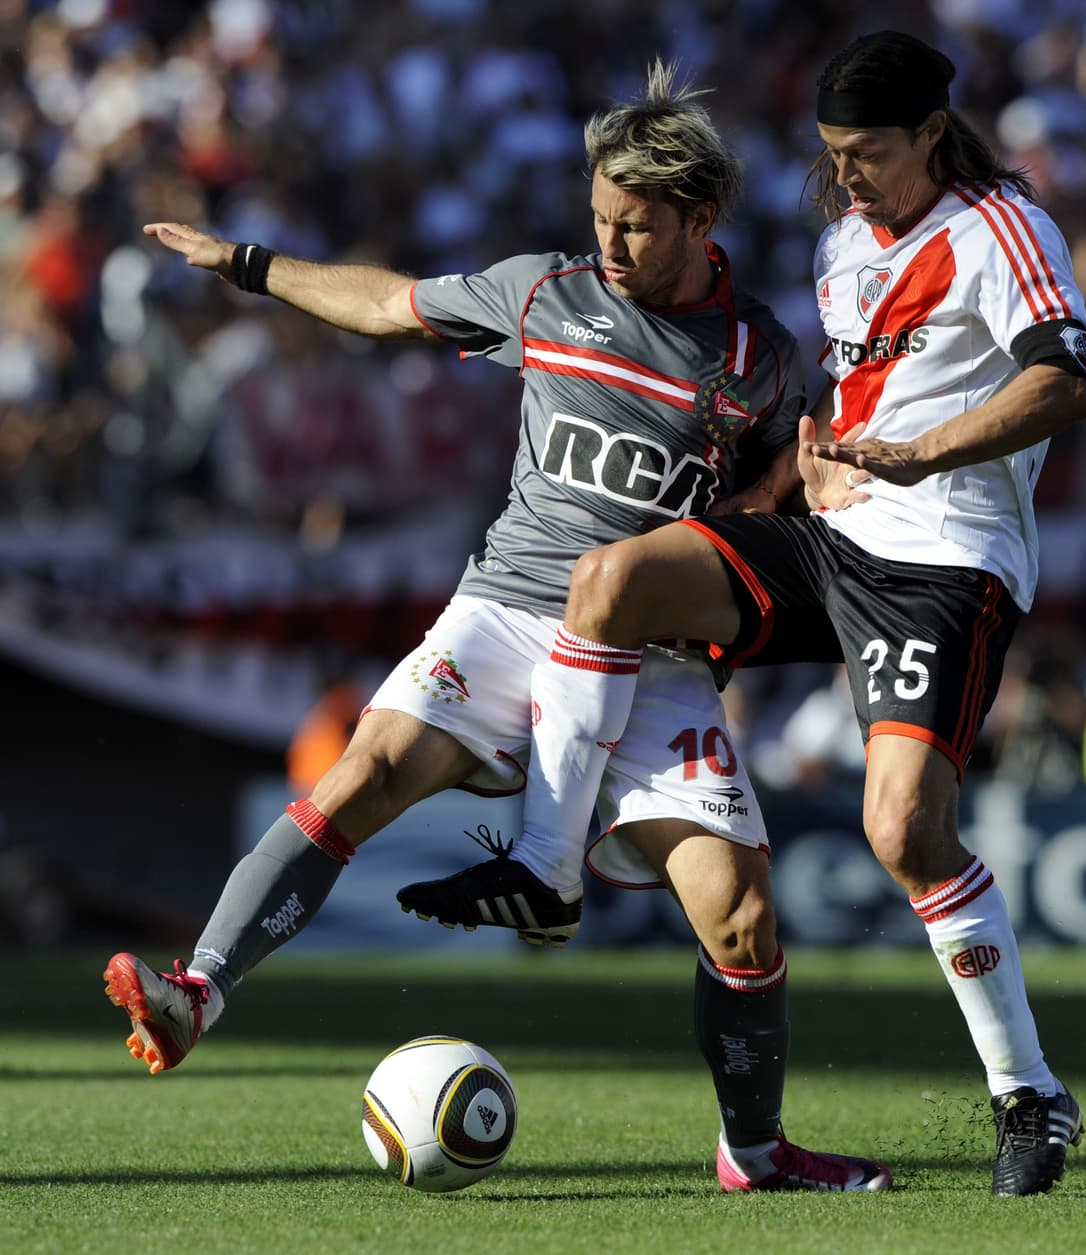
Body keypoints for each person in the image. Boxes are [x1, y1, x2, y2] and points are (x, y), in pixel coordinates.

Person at [103, 62, 892, 1196]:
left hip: (650, 653)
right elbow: (386, 304)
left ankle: (753, 1154)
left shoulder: (756, 360)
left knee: (741, 913)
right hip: (504, 613)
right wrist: (250, 265)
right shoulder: (543, 295)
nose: (609, 245)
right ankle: (197, 991)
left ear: (700, 219)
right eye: (598, 219)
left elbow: (775, 492)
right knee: (360, 772)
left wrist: (809, 482)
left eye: (633, 226)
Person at [405, 31, 1086, 1198]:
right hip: (834, 535)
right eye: (831, 155)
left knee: (903, 835)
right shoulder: (839, 244)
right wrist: (792, 471)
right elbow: (848, 398)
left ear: (931, 133)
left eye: (867, 153)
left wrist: (924, 454)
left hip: (944, 562)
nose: (845, 176)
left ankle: (1028, 1092)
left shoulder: (1000, 229)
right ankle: (548, 857)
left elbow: (1064, 376)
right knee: (612, 580)